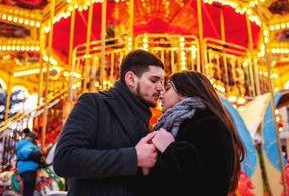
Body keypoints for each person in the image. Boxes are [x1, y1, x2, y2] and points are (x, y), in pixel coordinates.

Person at [53, 50, 165, 195]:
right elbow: (65, 159)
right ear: (131, 79)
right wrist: (133, 157)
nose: (160, 88)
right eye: (153, 80)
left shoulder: (147, 124)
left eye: (162, 82)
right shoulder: (95, 104)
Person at [140, 71, 246, 196]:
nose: (161, 96)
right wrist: (146, 169)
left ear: (185, 93)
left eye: (167, 89)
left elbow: (214, 186)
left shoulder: (211, 125)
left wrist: (171, 149)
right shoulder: (169, 127)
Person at [16, 128, 43, 196]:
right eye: (35, 139)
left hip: (32, 166)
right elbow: (27, 153)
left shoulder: (27, 144)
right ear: (31, 138)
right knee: (29, 184)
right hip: (27, 167)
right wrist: (39, 154)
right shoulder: (27, 143)